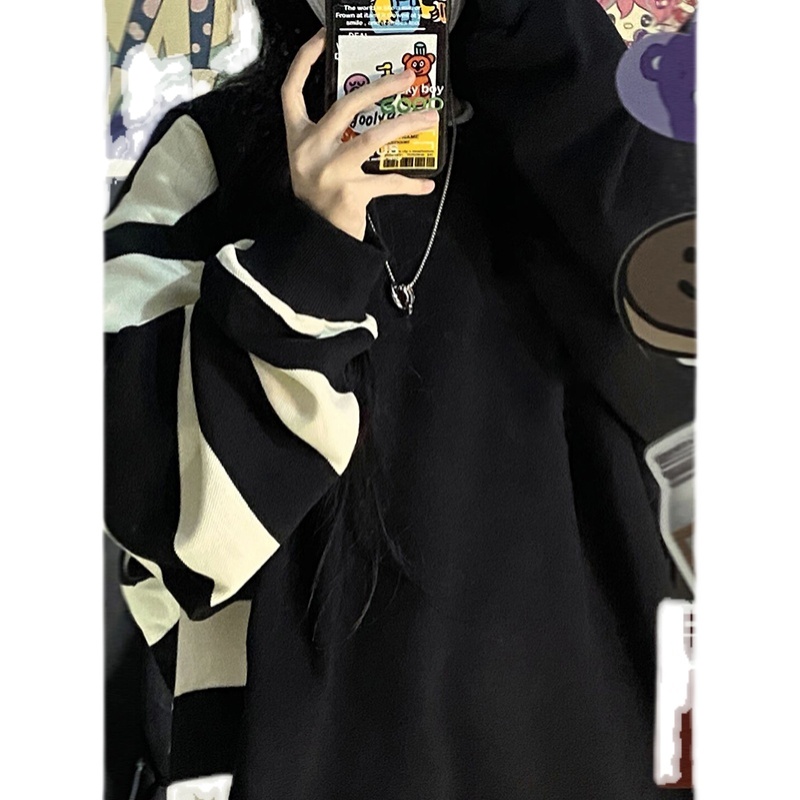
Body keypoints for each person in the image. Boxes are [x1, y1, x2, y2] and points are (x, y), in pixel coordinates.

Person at [103, 0, 695, 796]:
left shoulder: (597, 121)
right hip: (309, 760)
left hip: (596, 747)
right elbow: (156, 518)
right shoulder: (212, 152)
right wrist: (307, 254)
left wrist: (542, 38)